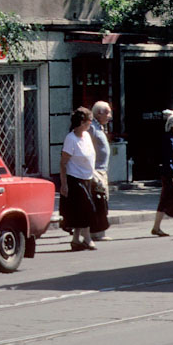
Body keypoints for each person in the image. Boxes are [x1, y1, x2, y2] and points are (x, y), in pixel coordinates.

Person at [60, 107, 99, 251]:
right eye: (89, 121)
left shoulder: (86, 136)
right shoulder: (71, 139)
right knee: (87, 208)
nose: (91, 124)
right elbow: (63, 163)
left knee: (80, 211)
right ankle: (87, 238)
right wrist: (64, 185)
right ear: (82, 122)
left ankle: (76, 239)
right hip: (75, 178)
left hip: (87, 177)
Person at [89, 101, 113, 242]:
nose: (109, 116)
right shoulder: (92, 128)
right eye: (107, 112)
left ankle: (98, 230)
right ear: (99, 113)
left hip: (102, 170)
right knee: (99, 200)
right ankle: (97, 232)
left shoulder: (100, 127)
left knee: (103, 200)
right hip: (96, 170)